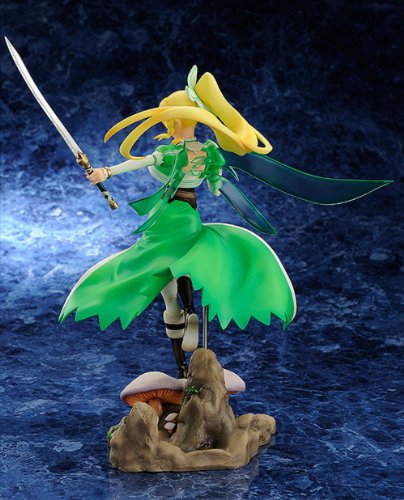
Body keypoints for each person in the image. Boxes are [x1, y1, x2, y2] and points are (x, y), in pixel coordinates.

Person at [59, 66, 390, 378]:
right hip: (186, 217)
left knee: (165, 281)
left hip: (165, 219)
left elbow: (137, 163)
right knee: (181, 264)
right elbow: (214, 185)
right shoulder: (207, 152)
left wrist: (104, 172)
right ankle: (189, 313)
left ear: (174, 120)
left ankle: (182, 350)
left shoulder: (169, 154)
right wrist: (213, 182)